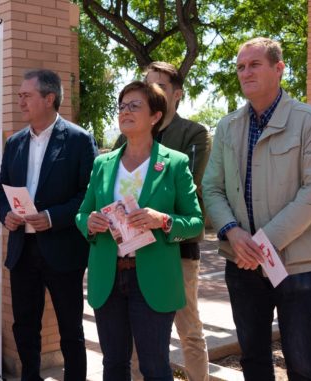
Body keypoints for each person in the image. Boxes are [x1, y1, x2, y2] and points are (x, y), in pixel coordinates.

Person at [202, 37, 311, 380]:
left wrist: (263, 242)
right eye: (240, 67)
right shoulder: (227, 126)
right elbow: (211, 188)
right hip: (240, 261)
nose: (245, 72)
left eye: (254, 64)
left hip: (295, 264)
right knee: (254, 358)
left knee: (302, 362)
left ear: (279, 69)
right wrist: (232, 232)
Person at [77, 80, 203, 380]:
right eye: (122, 106)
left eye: (135, 106)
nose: (125, 112)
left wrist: (163, 220)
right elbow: (82, 213)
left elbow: (196, 221)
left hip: (153, 277)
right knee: (114, 364)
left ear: (155, 116)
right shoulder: (103, 164)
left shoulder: (174, 163)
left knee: (154, 366)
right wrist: (90, 224)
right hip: (109, 276)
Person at [0, 69, 97, 381]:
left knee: (70, 327)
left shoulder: (79, 140)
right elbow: (2, 188)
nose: (20, 100)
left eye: (26, 95)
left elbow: (89, 194)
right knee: (24, 325)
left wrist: (52, 217)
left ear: (49, 98)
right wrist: (6, 215)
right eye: (20, 95)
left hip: (63, 248)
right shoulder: (14, 143)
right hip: (22, 249)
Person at [114, 61, 211, 381]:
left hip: (177, 251)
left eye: (161, 87)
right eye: (147, 85)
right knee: (137, 345)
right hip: (130, 255)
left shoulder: (193, 134)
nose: (152, 90)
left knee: (189, 332)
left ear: (177, 94)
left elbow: (191, 190)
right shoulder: (122, 140)